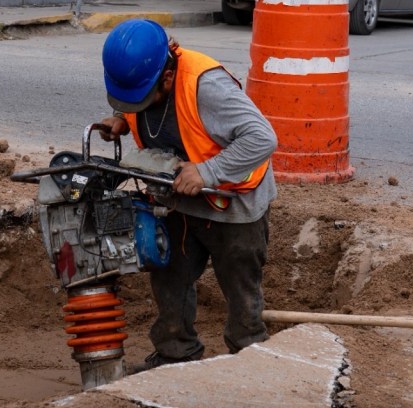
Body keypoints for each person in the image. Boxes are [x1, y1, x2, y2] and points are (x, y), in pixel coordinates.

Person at [96, 19, 278, 373]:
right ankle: (174, 355)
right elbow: (139, 97)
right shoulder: (144, 72)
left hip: (232, 203)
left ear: (166, 77)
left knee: (241, 290)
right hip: (177, 198)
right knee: (169, 276)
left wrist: (208, 172)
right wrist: (122, 117)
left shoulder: (207, 87)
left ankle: (249, 363)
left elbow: (262, 138)